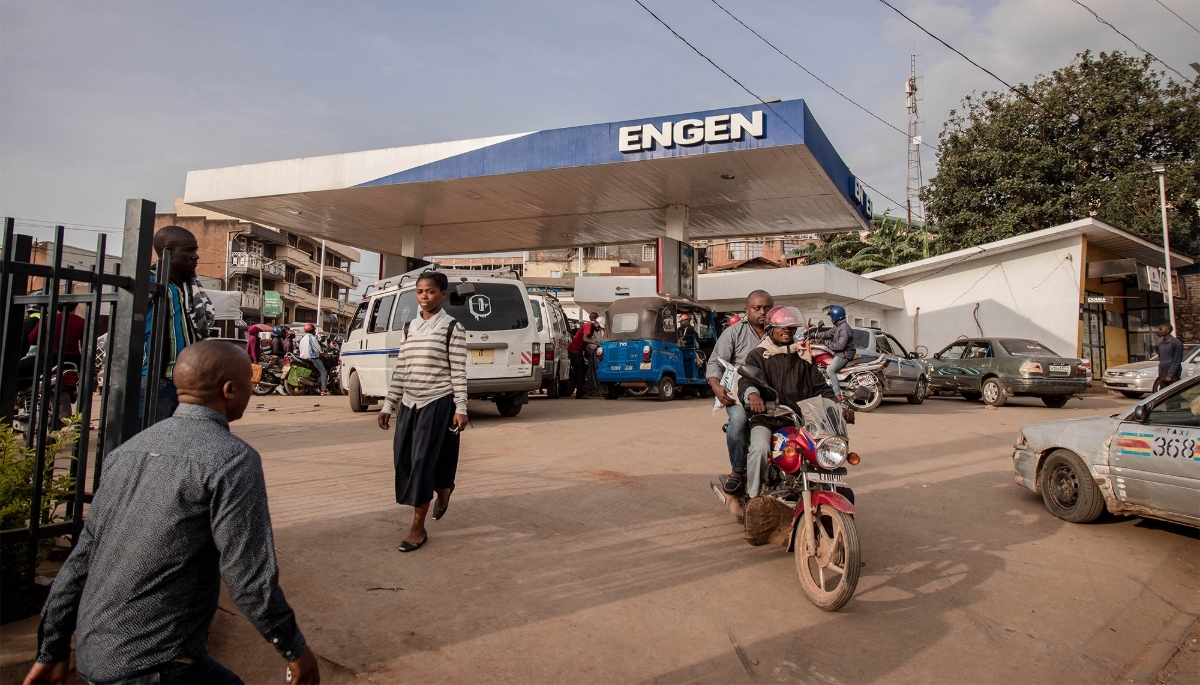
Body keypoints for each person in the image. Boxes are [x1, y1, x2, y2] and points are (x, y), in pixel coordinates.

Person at [25, 341, 319, 685]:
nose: (251, 394)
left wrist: (53, 649)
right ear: (229, 390)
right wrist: (295, 650)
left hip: (96, 656)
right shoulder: (233, 461)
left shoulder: (129, 451)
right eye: (248, 386)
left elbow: (80, 561)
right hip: (159, 665)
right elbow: (249, 579)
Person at [377, 272, 468, 553]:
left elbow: (459, 371)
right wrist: (388, 404)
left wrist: (461, 408)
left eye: (430, 291)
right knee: (404, 461)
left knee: (422, 463)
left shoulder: (453, 328)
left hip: (438, 402)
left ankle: (418, 527)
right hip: (409, 404)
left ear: (442, 294)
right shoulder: (409, 328)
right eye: (419, 292)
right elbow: (401, 369)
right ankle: (443, 490)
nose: (424, 296)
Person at [739, 306, 839, 498]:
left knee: (822, 450)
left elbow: (821, 387)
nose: (787, 331)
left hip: (799, 420)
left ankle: (819, 490)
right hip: (767, 418)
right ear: (770, 328)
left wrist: (836, 405)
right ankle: (753, 498)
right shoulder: (759, 354)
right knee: (759, 450)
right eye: (781, 327)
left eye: (791, 328)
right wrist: (753, 395)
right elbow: (747, 380)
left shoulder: (803, 356)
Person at [140, 225, 214, 424]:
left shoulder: (189, 288)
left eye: (195, 250)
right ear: (168, 253)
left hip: (185, 382)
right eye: (189, 250)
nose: (196, 256)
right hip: (155, 379)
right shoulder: (149, 283)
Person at [706, 290, 774, 495]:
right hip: (739, 392)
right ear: (747, 310)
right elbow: (714, 363)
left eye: (767, 308)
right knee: (737, 420)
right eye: (757, 308)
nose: (763, 312)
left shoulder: (780, 331)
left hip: (773, 394)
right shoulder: (734, 333)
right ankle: (737, 471)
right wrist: (716, 386)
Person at [810, 304, 855, 400]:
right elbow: (828, 333)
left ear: (835, 315)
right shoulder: (838, 326)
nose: (830, 318)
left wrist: (824, 342)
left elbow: (840, 346)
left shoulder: (844, 328)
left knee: (830, 370)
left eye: (831, 316)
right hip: (840, 353)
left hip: (844, 354)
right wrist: (814, 335)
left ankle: (837, 395)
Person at [26, 302, 86, 370]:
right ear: (74, 308)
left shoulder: (47, 319)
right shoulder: (82, 322)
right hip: (73, 360)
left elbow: (32, 339)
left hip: (48, 358)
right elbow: (86, 345)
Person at [568, 317, 599, 399]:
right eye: (599, 327)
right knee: (580, 372)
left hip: (578, 351)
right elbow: (584, 338)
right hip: (574, 351)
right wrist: (594, 342)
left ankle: (581, 391)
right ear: (596, 323)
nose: (599, 329)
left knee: (583, 370)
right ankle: (579, 393)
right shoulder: (588, 325)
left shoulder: (592, 328)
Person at [298, 323, 328, 395]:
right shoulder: (312, 338)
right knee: (323, 372)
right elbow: (316, 348)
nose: (315, 331)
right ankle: (323, 390)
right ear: (312, 330)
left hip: (303, 357)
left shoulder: (303, 338)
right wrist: (323, 353)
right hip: (312, 357)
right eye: (314, 330)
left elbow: (300, 348)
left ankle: (312, 389)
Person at [1156, 323, 1184, 389]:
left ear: (1168, 330)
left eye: (1161, 329)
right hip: (1163, 371)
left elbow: (1177, 360)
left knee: (1174, 392)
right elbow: (1161, 358)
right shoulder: (1160, 344)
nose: (1159, 331)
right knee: (1163, 393)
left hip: (1172, 371)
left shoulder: (1176, 343)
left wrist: (1170, 375)